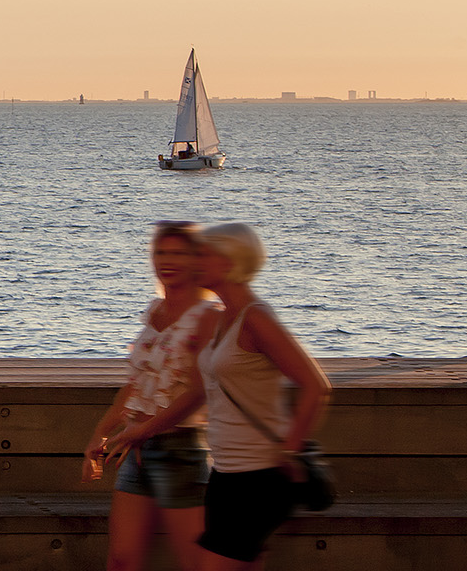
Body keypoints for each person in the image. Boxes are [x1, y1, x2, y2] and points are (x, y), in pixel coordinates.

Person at [188, 223, 331, 570]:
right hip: (224, 473)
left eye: (203, 255)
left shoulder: (255, 318)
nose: (194, 262)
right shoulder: (222, 317)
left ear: (228, 261)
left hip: (259, 479)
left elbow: (315, 386)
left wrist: (289, 450)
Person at [84, 221, 222, 570]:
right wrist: (100, 434)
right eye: (161, 252)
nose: (167, 260)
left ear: (196, 260)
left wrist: (143, 431)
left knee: (196, 563)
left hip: (180, 451)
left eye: (178, 253)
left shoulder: (207, 316)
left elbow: (199, 391)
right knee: (121, 560)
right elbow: (136, 385)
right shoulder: (155, 311)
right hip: (137, 451)